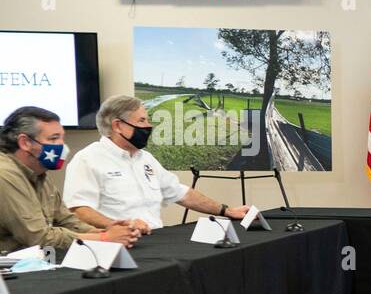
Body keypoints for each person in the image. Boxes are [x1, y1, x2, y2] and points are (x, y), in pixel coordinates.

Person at [63, 96, 250, 233]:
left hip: (155, 240)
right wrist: (120, 225)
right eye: (142, 121)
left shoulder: (146, 159)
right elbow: (78, 210)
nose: (149, 126)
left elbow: (181, 193)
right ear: (118, 126)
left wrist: (226, 210)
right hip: (117, 245)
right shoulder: (88, 159)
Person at [0, 106, 139, 255]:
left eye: (61, 138)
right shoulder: (5, 174)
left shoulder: (39, 173)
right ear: (25, 142)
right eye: (53, 138)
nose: (61, 145)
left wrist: (112, 232)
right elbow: (39, 237)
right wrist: (104, 238)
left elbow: (66, 220)